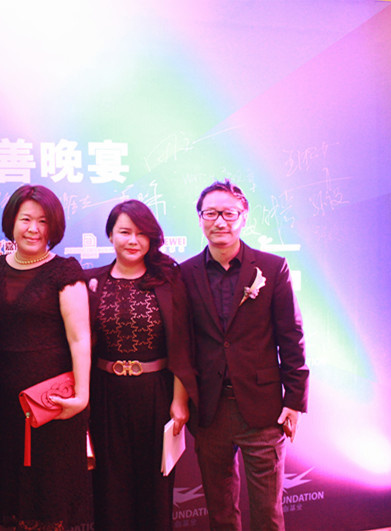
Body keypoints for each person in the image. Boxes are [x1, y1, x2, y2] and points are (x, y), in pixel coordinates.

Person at [180, 180, 309, 530]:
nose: (219, 221)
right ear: (200, 218)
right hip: (209, 410)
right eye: (211, 213)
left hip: (262, 410)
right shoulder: (185, 274)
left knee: (267, 513)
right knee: (221, 513)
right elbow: (183, 343)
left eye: (228, 213)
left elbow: (291, 337)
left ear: (243, 218)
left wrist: (294, 400)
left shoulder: (272, 268)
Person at [0, 184, 93, 530]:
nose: (33, 229)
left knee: (51, 490)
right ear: (11, 222)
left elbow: (80, 338)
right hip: (5, 398)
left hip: (53, 399)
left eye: (43, 221)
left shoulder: (64, 270)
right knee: (13, 490)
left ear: (54, 227)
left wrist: (82, 396)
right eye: (25, 219)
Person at [85, 200, 198, 530]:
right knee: (110, 489)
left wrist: (179, 401)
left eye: (141, 233)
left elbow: (182, 344)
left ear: (151, 239)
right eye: (124, 232)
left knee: (155, 490)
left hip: (156, 395)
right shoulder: (91, 282)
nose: (132, 240)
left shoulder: (169, 281)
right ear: (110, 235)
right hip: (105, 395)